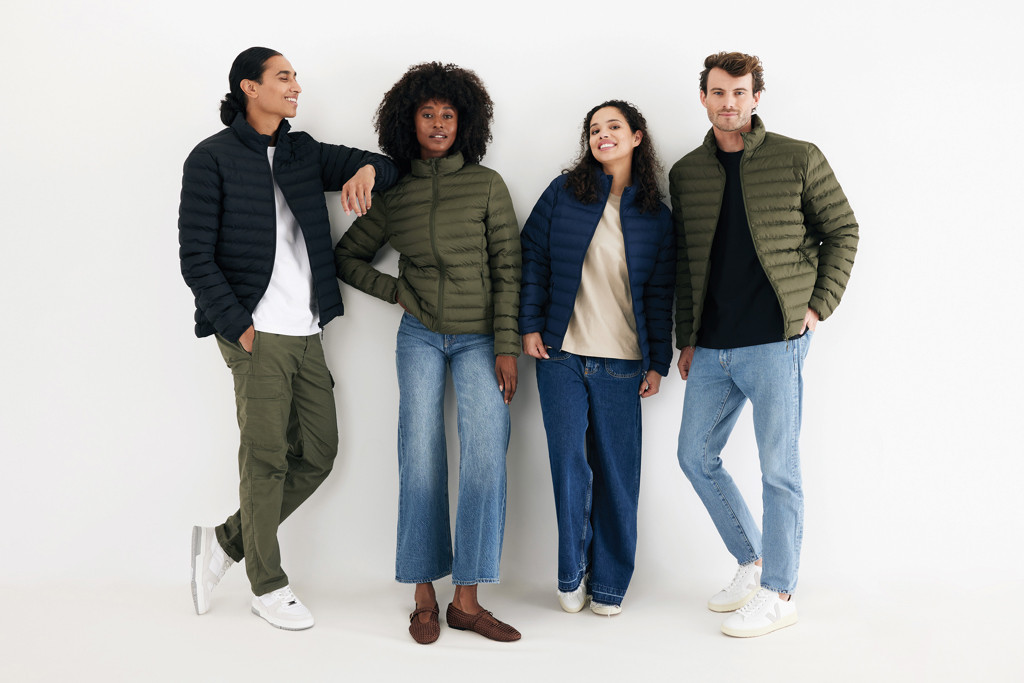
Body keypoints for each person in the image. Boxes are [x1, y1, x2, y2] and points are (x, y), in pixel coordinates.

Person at [180, 46, 397, 631]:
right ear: (250, 88)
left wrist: (369, 172)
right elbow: (195, 257)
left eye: (296, 77)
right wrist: (239, 326)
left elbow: (387, 165)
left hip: (306, 330)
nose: (296, 86)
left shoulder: (303, 152)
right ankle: (267, 585)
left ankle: (225, 542)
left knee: (319, 453)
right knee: (265, 459)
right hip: (256, 333)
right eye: (283, 77)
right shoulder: (212, 158)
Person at [671, 51, 859, 637]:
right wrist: (686, 338)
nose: (728, 102)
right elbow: (686, 263)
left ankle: (779, 593)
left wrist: (817, 306)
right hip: (712, 346)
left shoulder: (798, 157)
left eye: (739, 92)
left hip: (776, 342)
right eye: (718, 92)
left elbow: (842, 230)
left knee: (779, 471)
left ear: (756, 97)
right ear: (703, 97)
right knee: (694, 456)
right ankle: (752, 562)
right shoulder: (686, 173)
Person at [334, 62, 521, 644]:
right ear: (408, 121)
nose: (438, 123)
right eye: (427, 113)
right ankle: (422, 594)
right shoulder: (395, 193)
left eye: (448, 114)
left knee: (485, 456)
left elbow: (508, 269)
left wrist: (507, 346)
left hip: (481, 337)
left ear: (464, 123)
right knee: (419, 456)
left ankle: (467, 599)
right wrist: (396, 292)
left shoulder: (486, 184)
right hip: (418, 336)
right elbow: (346, 257)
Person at [519, 101, 674, 616]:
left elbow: (661, 294)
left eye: (613, 127)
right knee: (570, 467)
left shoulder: (656, 216)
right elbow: (533, 258)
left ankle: (608, 584)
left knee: (617, 474)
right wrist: (530, 324)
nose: (602, 135)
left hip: (623, 363)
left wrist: (658, 361)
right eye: (593, 129)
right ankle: (571, 573)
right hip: (560, 354)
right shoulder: (563, 194)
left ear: (636, 137)